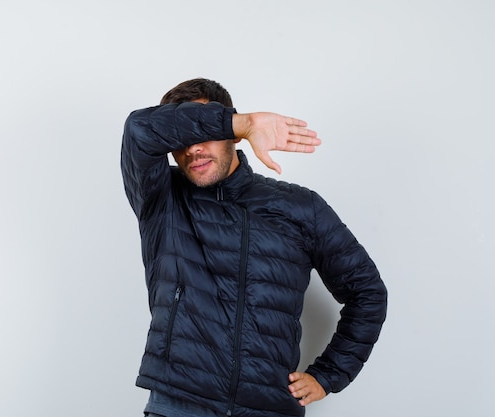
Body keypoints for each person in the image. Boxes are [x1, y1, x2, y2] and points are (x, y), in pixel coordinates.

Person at [121, 78, 387, 417]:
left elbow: (368, 292)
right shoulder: (162, 200)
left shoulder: (300, 207)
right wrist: (244, 123)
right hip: (180, 405)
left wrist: (327, 376)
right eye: (182, 138)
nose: (192, 149)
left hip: (269, 409)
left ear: (229, 134)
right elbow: (138, 130)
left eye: (204, 132)